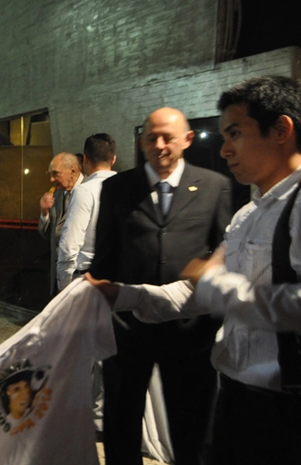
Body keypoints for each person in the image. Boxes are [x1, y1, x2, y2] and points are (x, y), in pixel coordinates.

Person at [89, 107, 232, 465]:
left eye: (168, 137)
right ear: (141, 142)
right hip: (127, 328)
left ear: (186, 140)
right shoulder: (117, 188)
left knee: (191, 427)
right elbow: (104, 257)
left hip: (190, 331)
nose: (160, 144)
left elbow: (225, 252)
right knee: (122, 424)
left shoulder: (216, 186)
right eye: (152, 137)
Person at [176, 76, 301, 464]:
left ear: (281, 129)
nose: (225, 150)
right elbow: (202, 286)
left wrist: (214, 283)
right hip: (235, 394)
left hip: (285, 413)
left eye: (235, 133)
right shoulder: (247, 214)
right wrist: (122, 295)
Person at [57, 134, 117, 291]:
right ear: (114, 159)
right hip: (119, 279)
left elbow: (69, 245)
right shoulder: (127, 187)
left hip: (88, 278)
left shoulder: (84, 190)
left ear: (85, 159)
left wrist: (64, 285)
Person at [38, 153, 83, 296]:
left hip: (80, 275)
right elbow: (48, 235)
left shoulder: (90, 190)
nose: (51, 180)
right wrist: (44, 212)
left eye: (55, 174)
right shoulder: (57, 194)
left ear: (73, 171)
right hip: (58, 276)